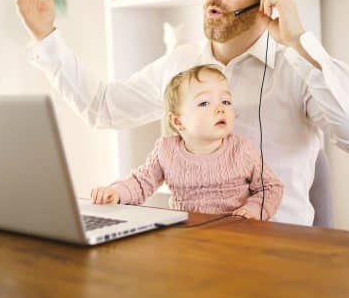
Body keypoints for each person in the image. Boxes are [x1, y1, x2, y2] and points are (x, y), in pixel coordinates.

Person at [13, 0, 349, 226]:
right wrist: (45, 36)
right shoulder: (181, 63)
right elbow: (102, 108)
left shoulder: (297, 68)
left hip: (279, 256)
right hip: (192, 252)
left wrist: (299, 42)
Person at [90, 65, 283, 220]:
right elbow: (141, 182)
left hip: (236, 235)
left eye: (226, 101)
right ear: (177, 121)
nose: (220, 109)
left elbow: (272, 187)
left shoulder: (241, 150)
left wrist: (254, 210)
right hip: (188, 236)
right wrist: (116, 192)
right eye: (204, 103)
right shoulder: (166, 150)